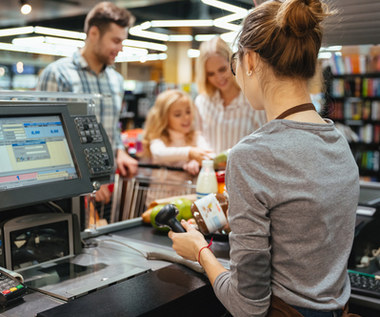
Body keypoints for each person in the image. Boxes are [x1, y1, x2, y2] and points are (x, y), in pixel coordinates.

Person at [169, 1, 360, 316]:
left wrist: (200, 252)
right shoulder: (338, 142)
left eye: (234, 61)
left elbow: (248, 305)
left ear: (251, 60)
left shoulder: (251, 155)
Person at [37, 2, 138, 205]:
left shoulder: (116, 80)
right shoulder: (59, 74)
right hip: (66, 190)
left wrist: (119, 151)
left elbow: (112, 128)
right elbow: (46, 136)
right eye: (116, 41)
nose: (120, 48)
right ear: (94, 33)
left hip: (106, 186)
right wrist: (86, 181)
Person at [194, 36, 266, 155]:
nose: (218, 78)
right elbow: (197, 134)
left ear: (233, 63)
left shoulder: (253, 99)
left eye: (222, 69)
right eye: (211, 74)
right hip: (211, 171)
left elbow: (265, 140)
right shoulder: (202, 102)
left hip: (244, 171)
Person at [142, 89, 212, 205]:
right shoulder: (159, 138)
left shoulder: (195, 137)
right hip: (158, 200)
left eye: (188, 112)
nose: (186, 118)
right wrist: (190, 153)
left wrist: (197, 161)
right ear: (164, 117)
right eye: (177, 114)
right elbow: (158, 154)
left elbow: (210, 155)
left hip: (186, 201)